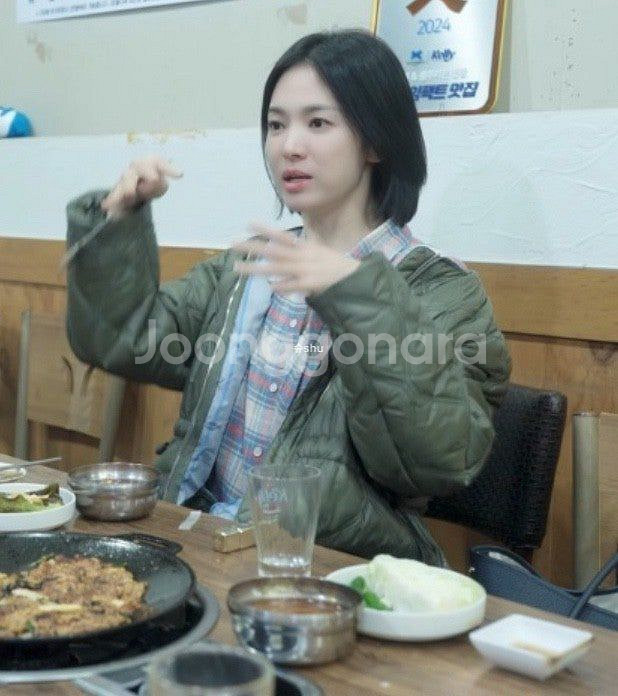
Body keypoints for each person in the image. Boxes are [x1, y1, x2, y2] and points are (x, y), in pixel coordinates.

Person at [66, 29, 511, 565]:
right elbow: (121, 339)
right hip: (201, 538)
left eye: (317, 123)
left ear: (375, 142)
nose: (288, 146)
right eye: (276, 125)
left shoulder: (441, 289)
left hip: (327, 565)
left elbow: (438, 462)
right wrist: (118, 221)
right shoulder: (250, 266)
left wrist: (357, 297)